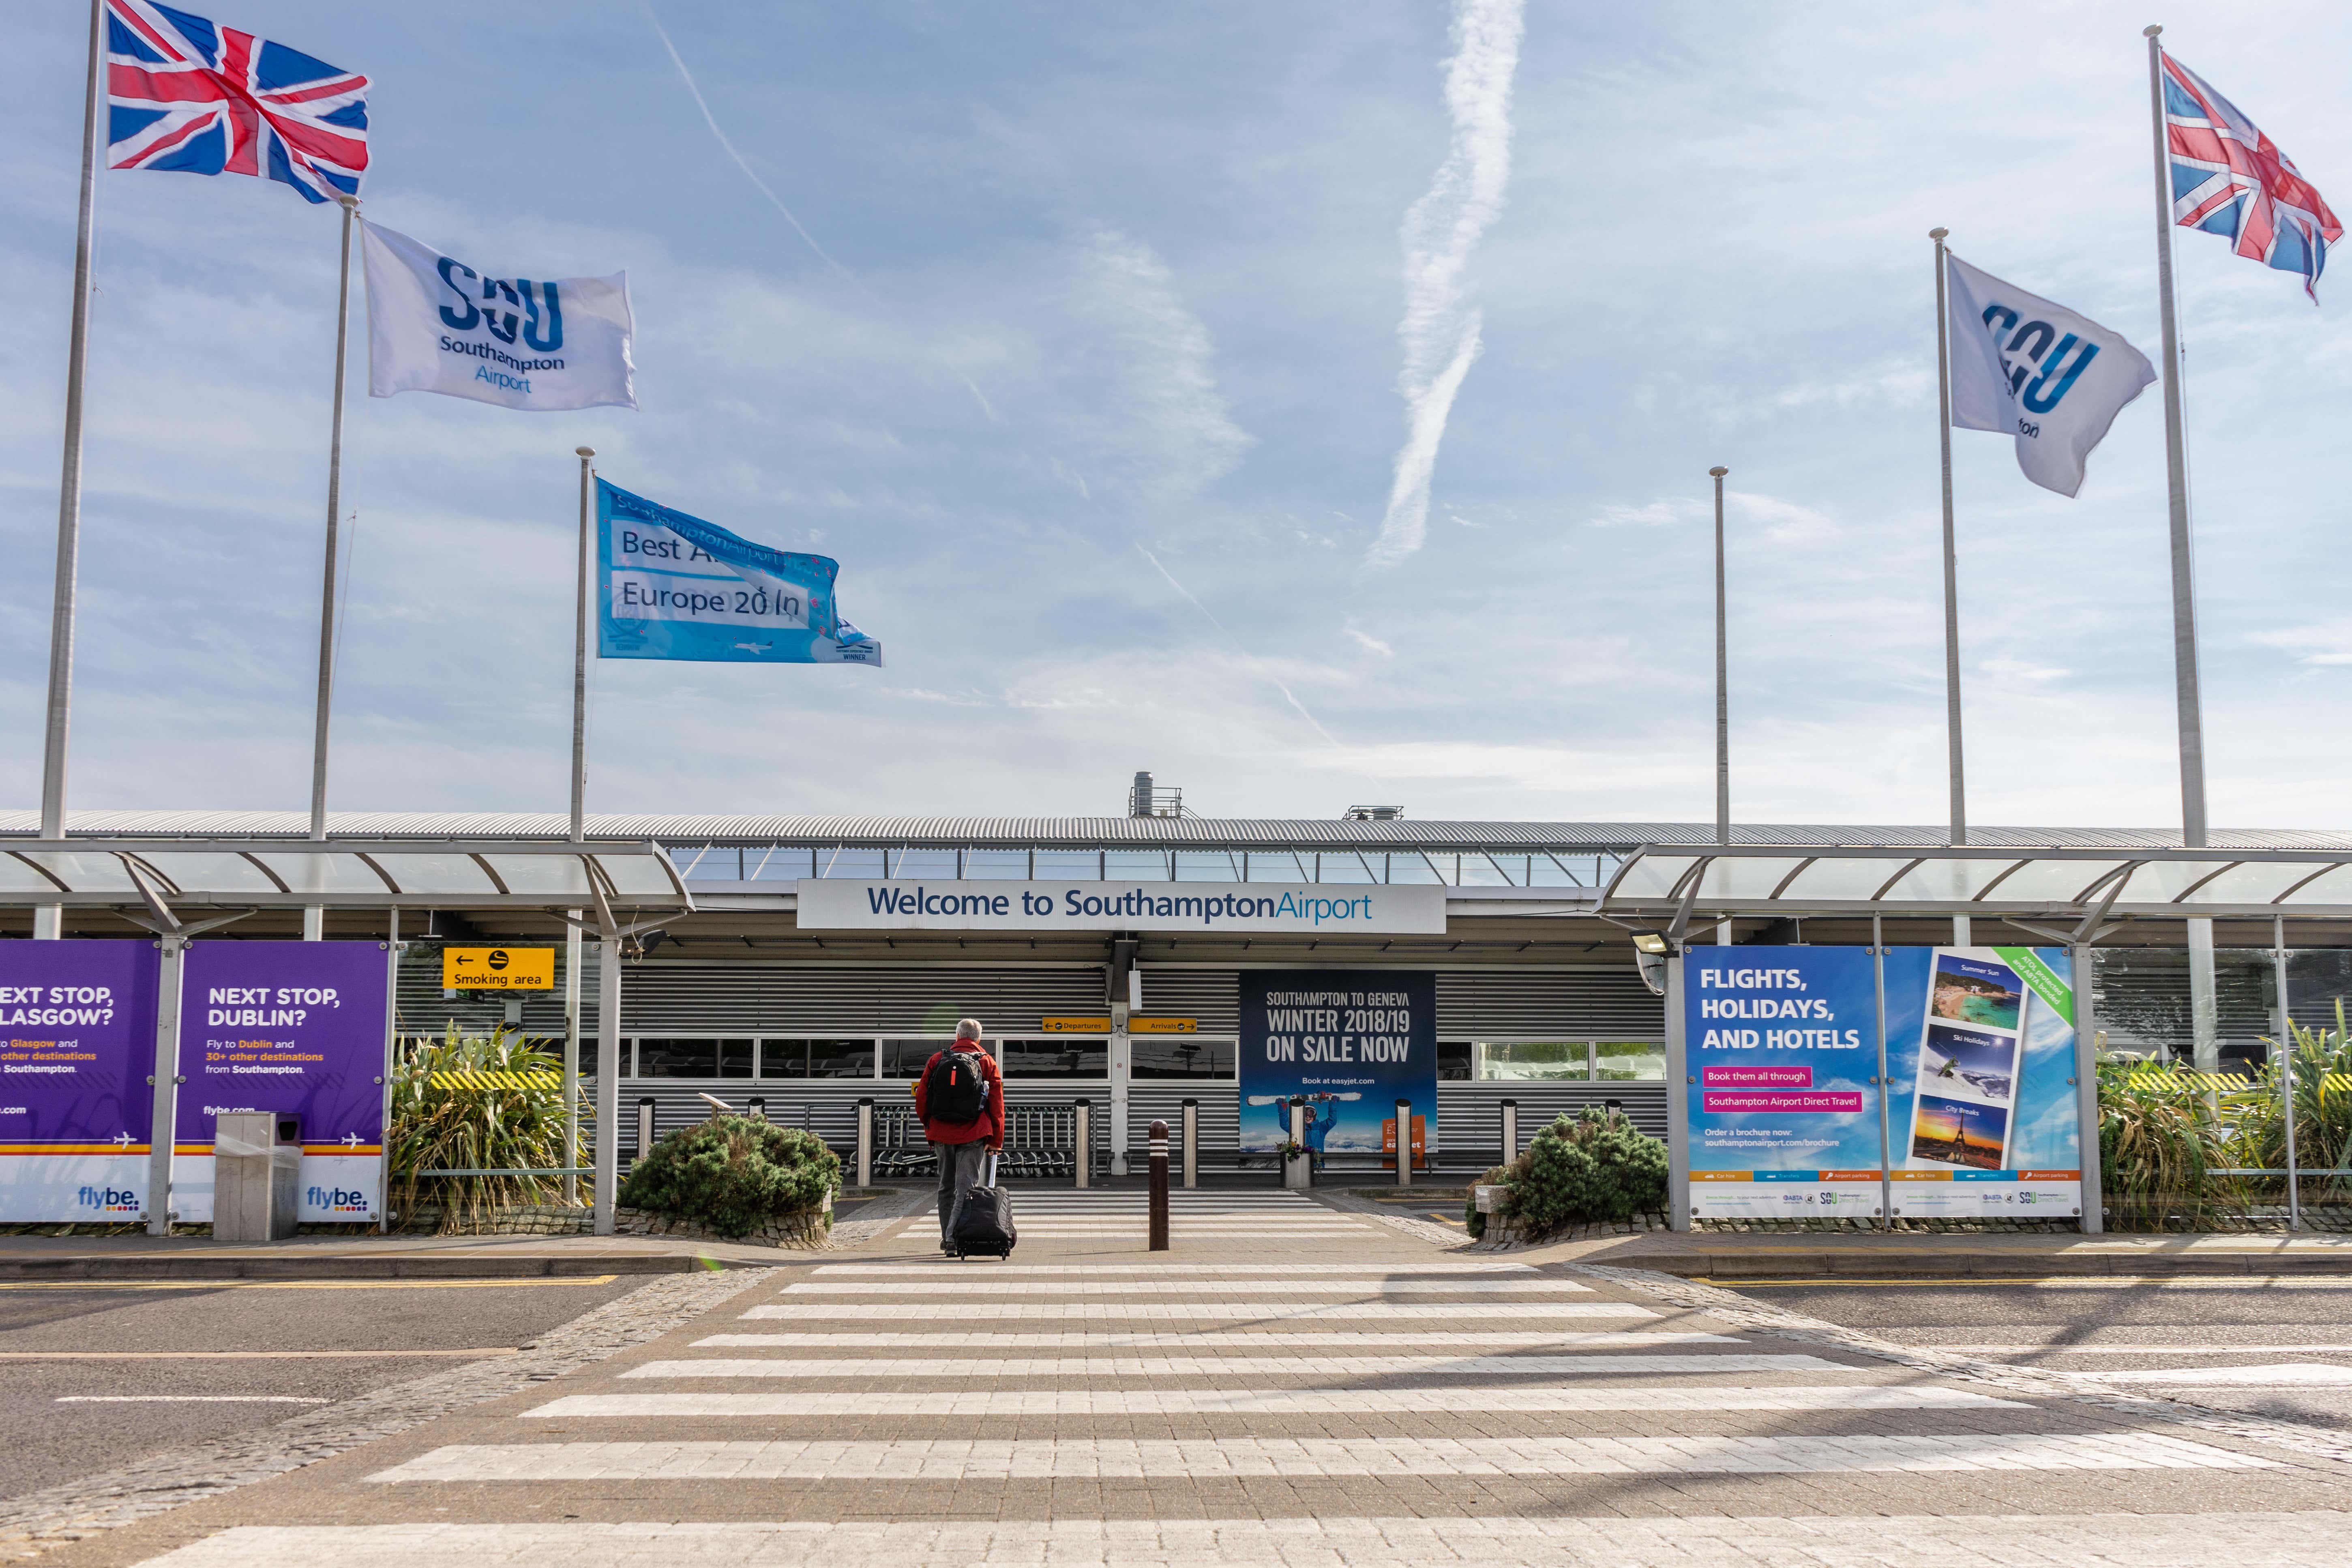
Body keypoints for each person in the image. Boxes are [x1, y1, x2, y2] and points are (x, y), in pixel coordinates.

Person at [913, 1017, 1004, 1252]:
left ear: (956, 1037)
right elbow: (996, 1104)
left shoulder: (937, 1059)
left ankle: (948, 1236)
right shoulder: (987, 1062)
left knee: (945, 1187)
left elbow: (922, 1098)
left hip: (942, 1133)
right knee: (966, 1188)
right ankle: (955, 1237)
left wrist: (930, 1127)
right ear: (979, 1039)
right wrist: (996, 1141)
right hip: (974, 1133)